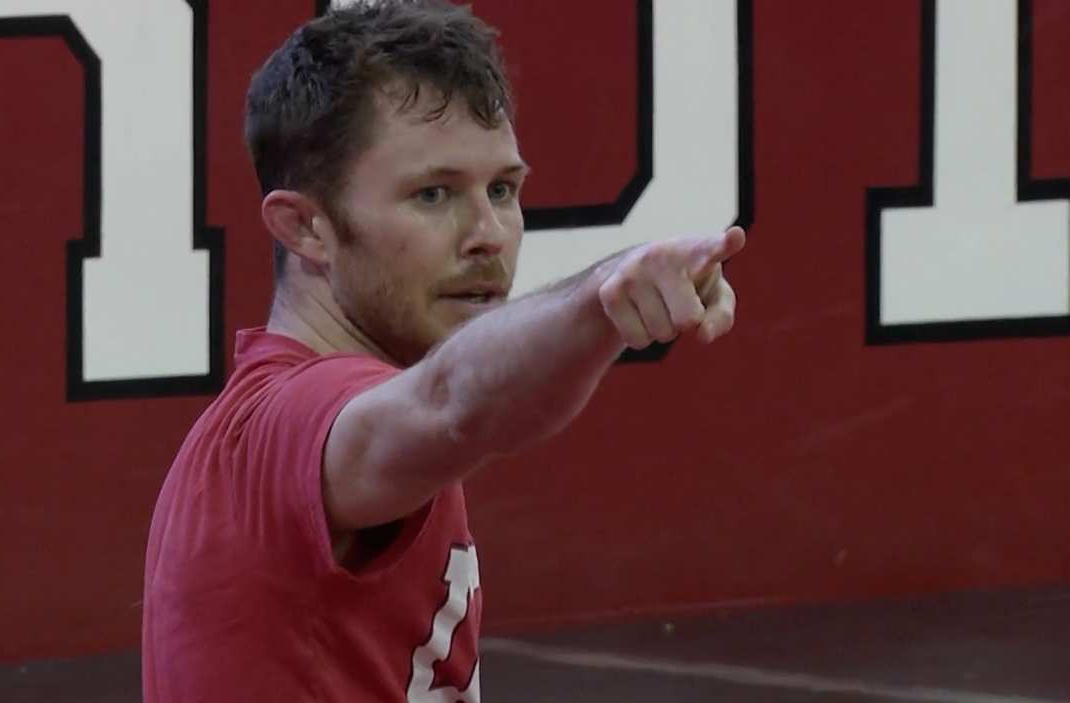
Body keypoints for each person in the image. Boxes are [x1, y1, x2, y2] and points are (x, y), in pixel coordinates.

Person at [141, 1, 745, 700]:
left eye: (503, 189)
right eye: (433, 194)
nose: (489, 233)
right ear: (305, 228)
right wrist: (600, 299)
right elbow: (450, 404)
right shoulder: (288, 421)